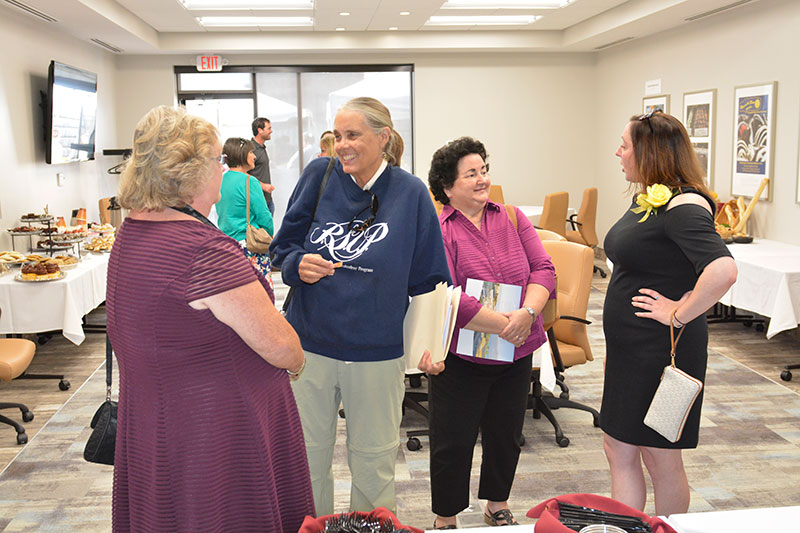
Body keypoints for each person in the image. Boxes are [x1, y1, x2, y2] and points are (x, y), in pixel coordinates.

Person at [107, 105, 313, 532]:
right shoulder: (204, 251)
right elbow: (282, 347)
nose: (223, 168)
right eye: (217, 159)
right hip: (217, 432)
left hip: (158, 422)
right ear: (190, 172)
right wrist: (296, 363)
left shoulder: (132, 232)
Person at [270, 97, 451, 516]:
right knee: (306, 458)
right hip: (309, 347)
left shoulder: (410, 194)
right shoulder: (320, 174)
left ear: (383, 137)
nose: (342, 146)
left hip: (376, 351)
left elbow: (431, 281)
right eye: (337, 136)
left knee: (374, 463)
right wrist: (299, 264)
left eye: (353, 135)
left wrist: (432, 346)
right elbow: (282, 248)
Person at [601, 110, 737, 516]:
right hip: (633, 350)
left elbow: (723, 269)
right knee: (618, 446)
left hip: (662, 350)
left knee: (659, 456)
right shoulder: (653, 197)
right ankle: (629, 527)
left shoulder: (684, 204)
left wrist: (680, 313)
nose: (618, 153)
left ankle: (668, 528)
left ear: (650, 152)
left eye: (624, 146)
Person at [424, 137, 555, 529]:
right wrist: (508, 324)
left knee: (505, 434)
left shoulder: (511, 216)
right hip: (463, 354)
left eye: (484, 170)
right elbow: (448, 294)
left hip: (516, 350)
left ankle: (497, 503)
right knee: (453, 441)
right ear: (448, 187)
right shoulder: (439, 230)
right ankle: (446, 516)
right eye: (471, 174)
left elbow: (544, 269)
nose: (483, 179)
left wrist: (529, 312)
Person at [216, 137, 275, 283]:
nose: (254, 156)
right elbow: (264, 216)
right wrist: (269, 236)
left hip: (226, 247)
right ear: (242, 154)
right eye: (251, 152)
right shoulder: (249, 181)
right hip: (250, 247)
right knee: (260, 296)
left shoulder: (220, 180)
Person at [249, 117, 275, 214]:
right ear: (260, 130)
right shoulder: (251, 149)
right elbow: (243, 174)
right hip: (257, 203)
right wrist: (262, 185)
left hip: (267, 200)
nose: (271, 131)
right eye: (269, 128)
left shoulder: (262, 147)